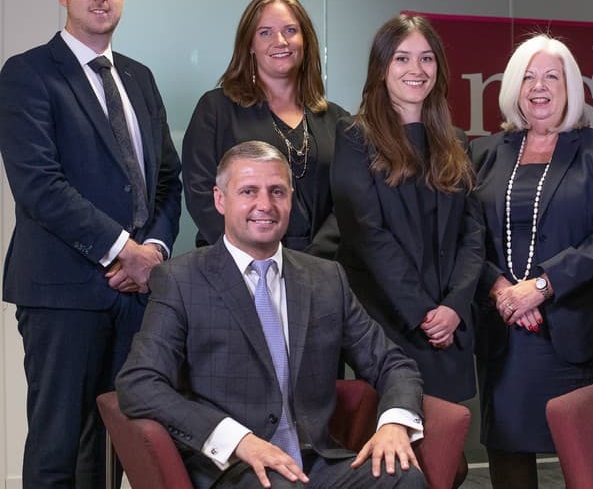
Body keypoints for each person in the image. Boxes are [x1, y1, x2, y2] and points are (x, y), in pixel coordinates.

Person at [116, 141, 425, 489]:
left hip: (315, 462)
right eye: (248, 191)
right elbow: (139, 383)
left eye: (277, 191)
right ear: (220, 199)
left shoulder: (326, 278)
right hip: (234, 468)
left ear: (290, 198)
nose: (265, 204)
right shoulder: (180, 280)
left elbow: (392, 364)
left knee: (405, 479)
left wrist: (394, 424)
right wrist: (238, 440)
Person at [0, 0, 182, 488]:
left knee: (114, 451)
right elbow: (39, 185)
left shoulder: (139, 78)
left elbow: (167, 180)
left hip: (135, 295)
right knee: (57, 448)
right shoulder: (28, 73)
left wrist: (154, 253)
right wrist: (125, 250)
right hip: (64, 293)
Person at [468, 34, 593, 488]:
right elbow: (466, 237)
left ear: (571, 87)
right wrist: (501, 289)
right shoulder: (483, 152)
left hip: (580, 329)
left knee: (588, 460)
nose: (539, 87)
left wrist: (542, 287)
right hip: (507, 331)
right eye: (528, 77)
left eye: (551, 77)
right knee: (509, 453)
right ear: (513, 87)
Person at [332, 14, 483, 404]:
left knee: (449, 435)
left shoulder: (456, 142)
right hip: (390, 320)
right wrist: (423, 313)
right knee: (397, 429)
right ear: (382, 68)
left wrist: (454, 306)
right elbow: (367, 235)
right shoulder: (355, 137)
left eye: (426, 58)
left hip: (450, 322)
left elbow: (472, 234)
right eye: (402, 58)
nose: (417, 69)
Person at [183, 0, 349, 258]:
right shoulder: (216, 110)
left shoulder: (337, 121)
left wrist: (311, 265)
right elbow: (200, 193)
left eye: (290, 30)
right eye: (265, 32)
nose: (280, 41)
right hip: (236, 265)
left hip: (321, 267)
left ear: (305, 41)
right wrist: (252, 257)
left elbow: (348, 202)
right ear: (249, 44)